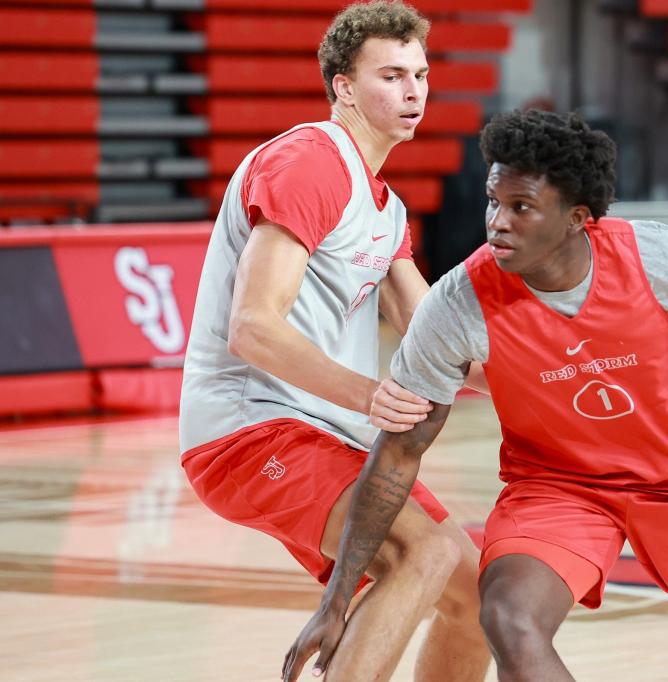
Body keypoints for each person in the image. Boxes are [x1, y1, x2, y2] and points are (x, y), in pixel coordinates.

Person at [318, 109, 668, 681]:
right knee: (509, 615)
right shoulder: (459, 303)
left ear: (576, 219)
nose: (497, 223)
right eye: (494, 201)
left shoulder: (661, 260)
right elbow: (399, 451)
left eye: (521, 207)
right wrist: (337, 597)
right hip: (558, 489)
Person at [178, 3, 490, 681]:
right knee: (425, 555)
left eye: (422, 74)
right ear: (343, 86)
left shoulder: (386, 206)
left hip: (328, 433)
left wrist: (564, 381)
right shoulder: (310, 161)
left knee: (480, 593)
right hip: (249, 430)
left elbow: (436, 334)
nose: (414, 91)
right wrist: (371, 395)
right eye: (392, 75)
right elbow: (252, 325)